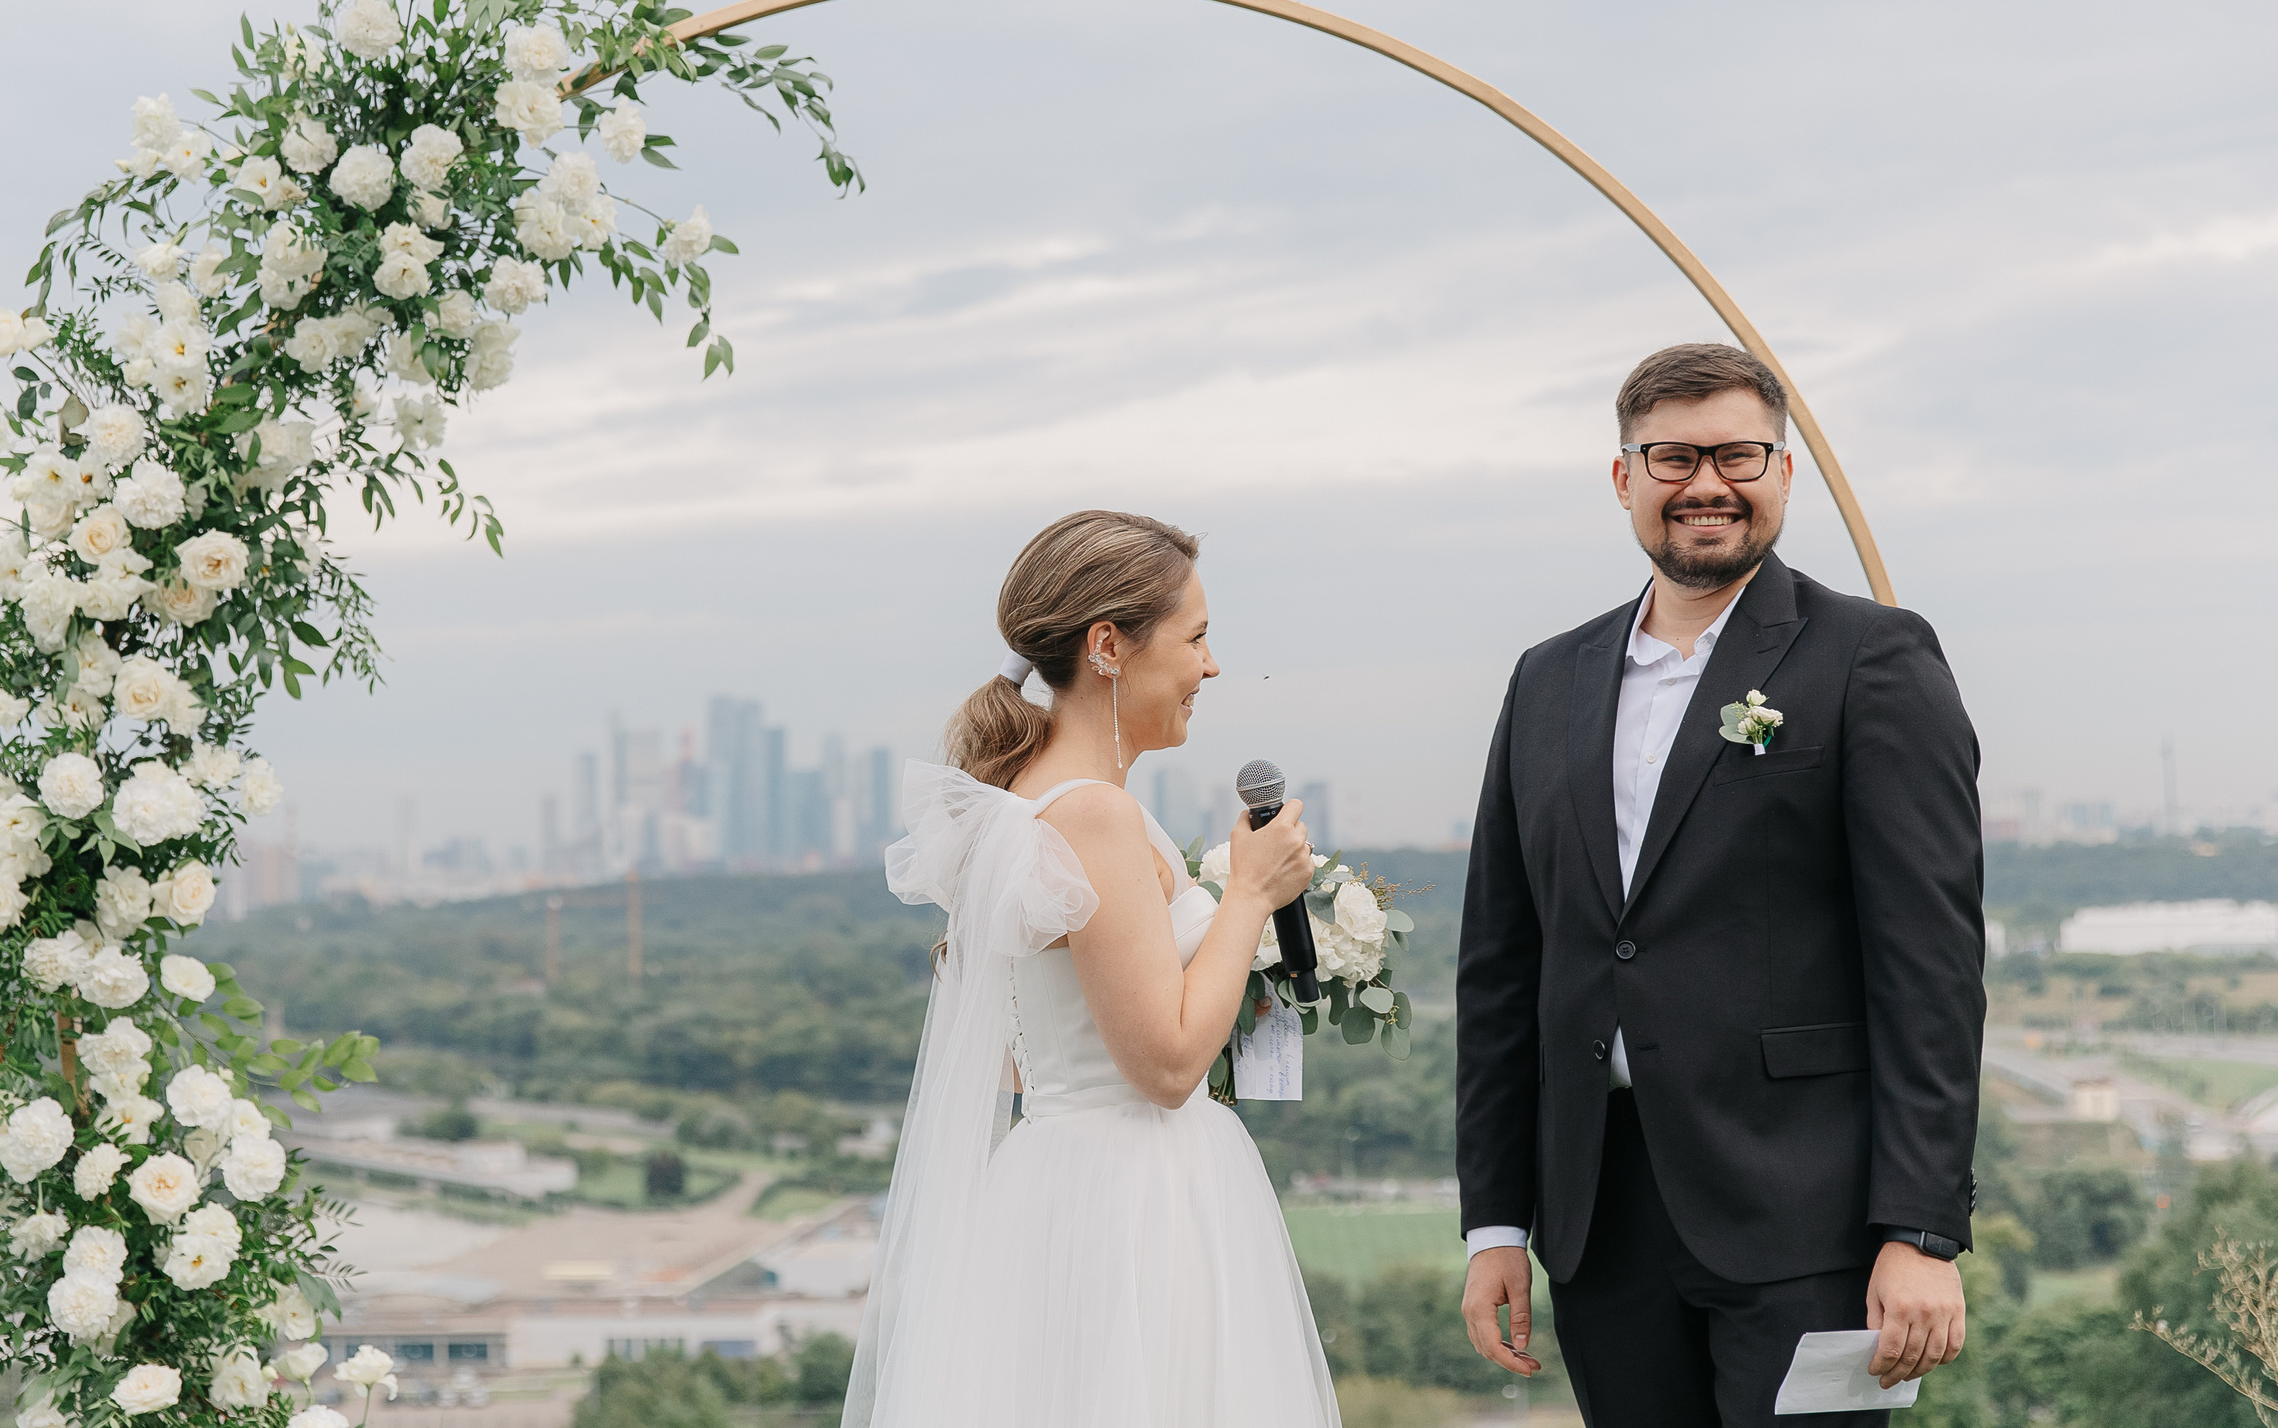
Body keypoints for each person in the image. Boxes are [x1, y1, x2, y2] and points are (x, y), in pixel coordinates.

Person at [1453, 343, 1984, 1426]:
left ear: (1782, 472)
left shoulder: (1870, 659)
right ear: (1624, 480)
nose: (1706, 485)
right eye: (1672, 458)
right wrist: (1496, 1225)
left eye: (1737, 455)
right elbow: (1504, 966)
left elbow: (1929, 968)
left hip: (1807, 1216)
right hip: (1597, 1222)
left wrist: (1919, 1230)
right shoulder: (1545, 679)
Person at [843, 509, 1338, 1428]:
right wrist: (1247, 899)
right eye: (1195, 639)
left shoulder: (1023, 801)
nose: (1212, 666)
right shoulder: (1092, 818)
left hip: (1061, 1183)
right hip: (1135, 1201)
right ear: (1108, 645)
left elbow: (1015, 1058)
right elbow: (1163, 1066)